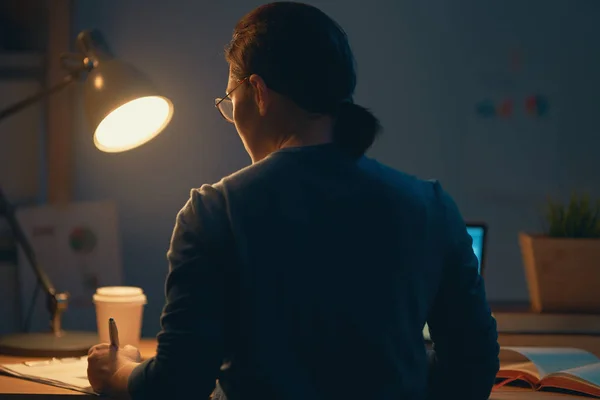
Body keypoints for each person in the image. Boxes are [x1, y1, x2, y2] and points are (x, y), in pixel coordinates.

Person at [87, 2, 500, 399]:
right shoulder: (430, 206)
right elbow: (473, 367)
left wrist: (119, 370)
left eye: (230, 101)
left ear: (258, 92)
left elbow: (177, 385)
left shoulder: (213, 212)